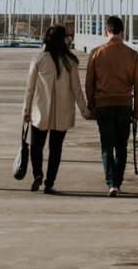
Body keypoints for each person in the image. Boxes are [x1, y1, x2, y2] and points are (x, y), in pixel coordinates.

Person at [22, 24, 92, 194]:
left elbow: (30, 87)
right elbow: (76, 89)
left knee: (36, 146)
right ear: (63, 40)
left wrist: (26, 109)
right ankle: (49, 182)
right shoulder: (70, 61)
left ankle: (37, 174)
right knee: (56, 149)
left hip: (40, 111)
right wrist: (85, 110)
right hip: (63, 112)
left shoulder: (38, 58)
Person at [85, 15, 138, 196]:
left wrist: (92, 105)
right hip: (124, 106)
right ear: (122, 32)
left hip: (103, 106)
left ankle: (111, 183)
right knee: (121, 147)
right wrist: (137, 111)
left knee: (106, 146)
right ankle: (117, 182)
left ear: (106, 31)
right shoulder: (132, 55)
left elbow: (89, 83)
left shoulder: (96, 52)